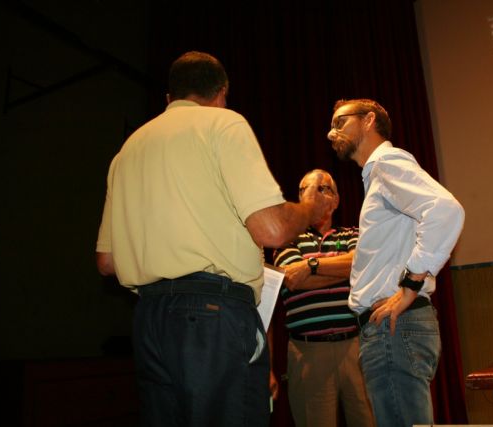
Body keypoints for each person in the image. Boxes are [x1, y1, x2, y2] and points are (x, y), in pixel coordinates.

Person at [95, 51, 330, 427]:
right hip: (213, 318)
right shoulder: (223, 123)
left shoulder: (126, 152)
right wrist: (308, 209)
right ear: (222, 93)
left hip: (150, 322)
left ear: (169, 98)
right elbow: (271, 229)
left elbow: (107, 262)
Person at [326, 98, 465, 426]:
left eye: (340, 122)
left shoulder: (386, 163)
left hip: (393, 327)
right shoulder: (377, 175)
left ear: (368, 120)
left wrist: (410, 285)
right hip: (392, 330)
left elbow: (446, 210)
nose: (331, 133)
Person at [272, 169, 375, 427]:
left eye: (322, 189)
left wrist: (311, 265)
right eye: (306, 190)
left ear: (336, 200)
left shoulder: (352, 234)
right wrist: (342, 269)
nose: (314, 195)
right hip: (308, 353)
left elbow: (362, 265)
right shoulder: (287, 238)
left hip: (355, 348)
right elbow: (293, 280)